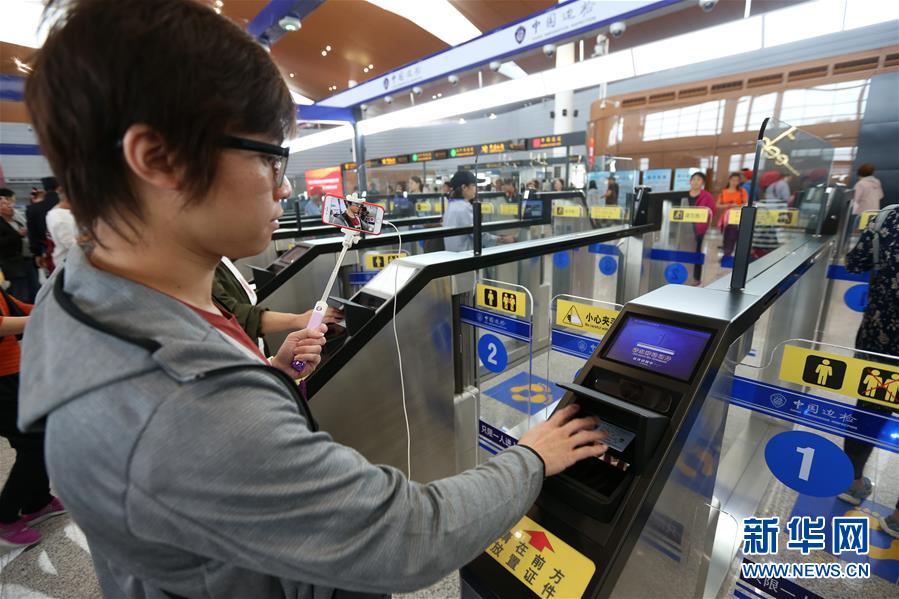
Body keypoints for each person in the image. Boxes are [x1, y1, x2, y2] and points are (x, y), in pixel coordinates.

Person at [20, 3, 608, 598]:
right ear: (158, 158)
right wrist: (532, 456)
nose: (284, 188)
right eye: (268, 157)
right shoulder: (186, 401)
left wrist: (269, 375)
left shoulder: (74, 293)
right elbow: (406, 536)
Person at [837, 205, 899, 538]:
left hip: (881, 339)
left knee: (869, 410)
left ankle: (852, 482)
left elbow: (855, 262)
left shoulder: (888, 217)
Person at [0, 288, 67, 548]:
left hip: (10, 375)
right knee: (35, 443)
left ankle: (37, 502)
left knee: (37, 437)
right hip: (2, 383)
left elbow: (17, 306)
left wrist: (58, 305)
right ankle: (5, 518)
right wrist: (41, 317)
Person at [212, 257, 342, 352]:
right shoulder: (210, 272)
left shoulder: (220, 260)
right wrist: (299, 319)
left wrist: (277, 364)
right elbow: (234, 314)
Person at [442, 171, 515, 252]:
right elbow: (478, 235)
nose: (476, 189)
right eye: (473, 185)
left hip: (452, 254)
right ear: (464, 187)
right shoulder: (465, 207)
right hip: (465, 255)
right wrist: (502, 239)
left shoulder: (451, 205)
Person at [0, 189, 37, 302]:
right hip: (12, 264)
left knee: (35, 291)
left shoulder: (15, 218)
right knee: (21, 295)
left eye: (8, 203)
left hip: (27, 260)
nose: (9, 206)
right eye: (3, 204)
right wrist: (18, 235)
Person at [685, 172, 716, 285]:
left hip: (699, 228)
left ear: (702, 182)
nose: (695, 182)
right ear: (690, 181)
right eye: (693, 179)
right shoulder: (684, 195)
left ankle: (696, 277)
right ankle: (684, 273)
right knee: (684, 250)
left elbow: (712, 211)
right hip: (684, 227)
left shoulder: (707, 196)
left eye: (698, 179)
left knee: (697, 251)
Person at [25, 176, 60, 273]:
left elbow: (32, 233)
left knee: (53, 275)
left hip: (46, 248)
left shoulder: (33, 208)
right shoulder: (67, 204)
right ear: (60, 187)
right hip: (70, 247)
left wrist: (36, 254)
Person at [716, 172, 748, 258]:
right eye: (733, 180)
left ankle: (730, 255)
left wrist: (738, 206)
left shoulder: (742, 192)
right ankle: (726, 254)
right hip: (726, 218)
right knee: (727, 236)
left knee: (734, 236)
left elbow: (746, 204)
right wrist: (730, 205)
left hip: (738, 217)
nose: (734, 182)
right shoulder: (724, 192)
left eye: (737, 180)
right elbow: (718, 205)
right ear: (729, 180)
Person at [45, 189, 78, 267]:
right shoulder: (61, 217)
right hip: (69, 261)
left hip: (67, 259)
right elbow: (70, 244)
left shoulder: (54, 213)